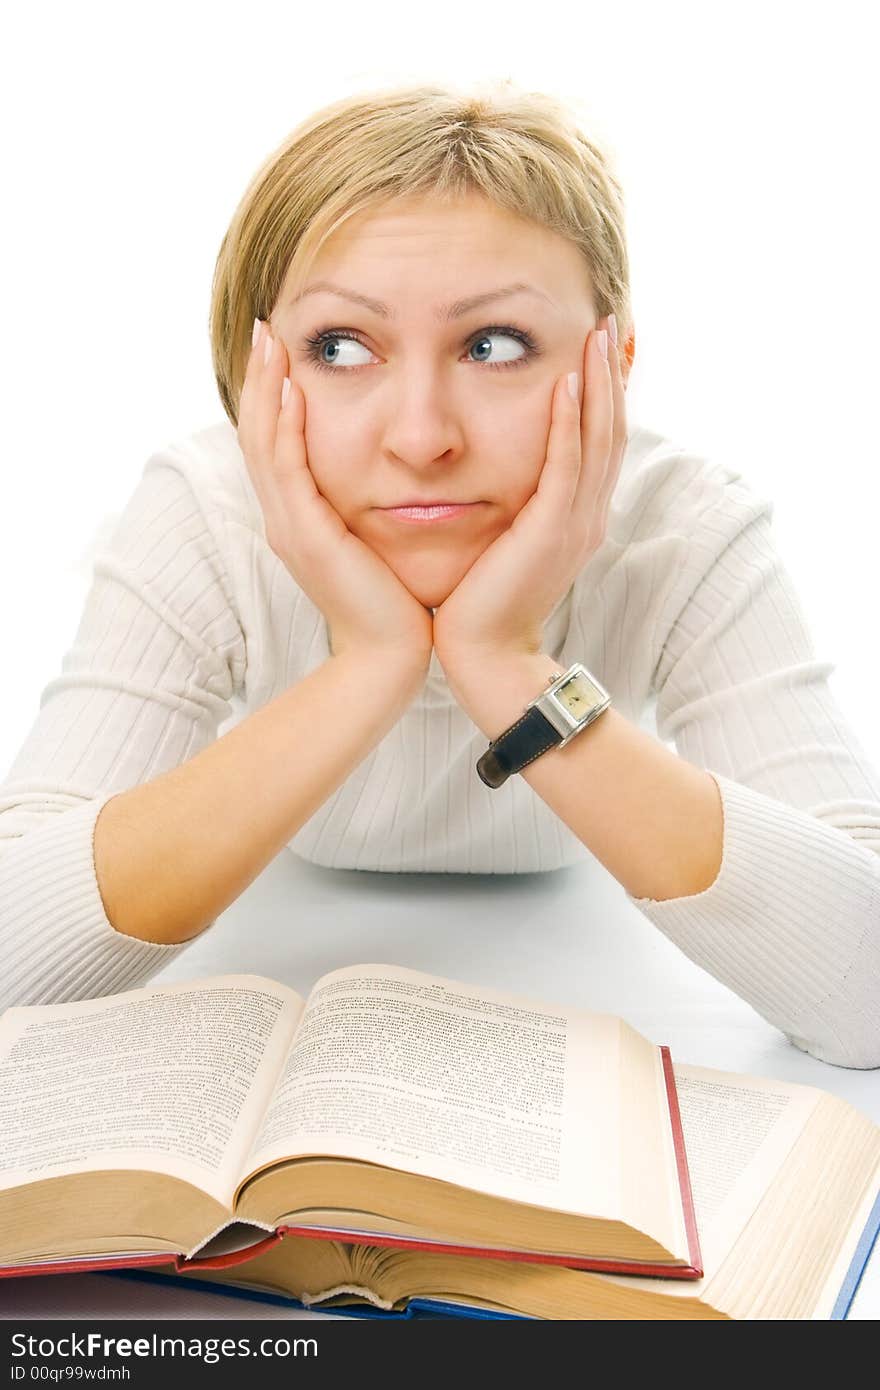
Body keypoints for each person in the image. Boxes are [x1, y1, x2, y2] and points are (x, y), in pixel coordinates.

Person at [1, 81, 878, 1068]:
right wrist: (370, 660)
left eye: (493, 346)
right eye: (340, 348)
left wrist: (503, 660)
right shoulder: (208, 510)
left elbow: (870, 995)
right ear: (256, 377)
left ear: (611, 364)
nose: (420, 438)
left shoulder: (685, 527)